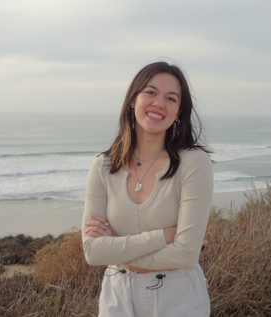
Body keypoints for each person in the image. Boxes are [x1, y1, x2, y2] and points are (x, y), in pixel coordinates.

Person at [82, 61, 213, 317]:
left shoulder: (194, 164)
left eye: (171, 98)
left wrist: (117, 248)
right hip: (117, 296)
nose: (159, 104)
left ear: (179, 111)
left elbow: (186, 255)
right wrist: (165, 236)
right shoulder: (103, 167)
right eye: (150, 93)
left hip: (178, 297)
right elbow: (92, 251)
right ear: (133, 100)